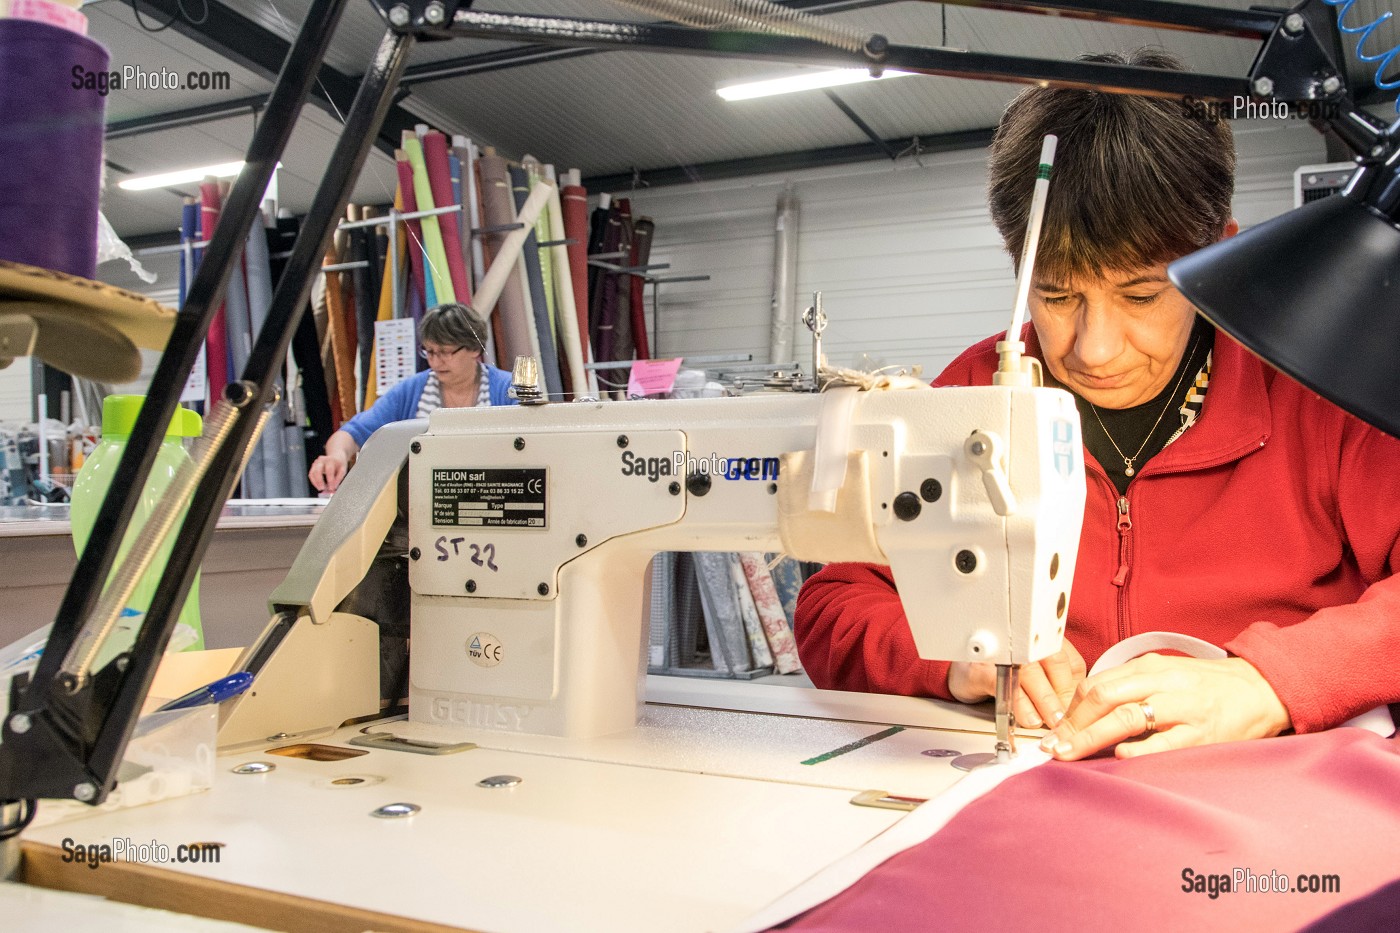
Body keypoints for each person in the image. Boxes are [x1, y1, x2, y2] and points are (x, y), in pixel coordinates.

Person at [794, 49, 1400, 761]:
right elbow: (835, 601)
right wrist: (951, 658)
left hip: (1278, 805)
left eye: (1142, 295)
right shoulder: (974, 394)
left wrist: (1271, 681)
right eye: (1056, 295)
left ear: (1220, 255)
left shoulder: (1319, 393)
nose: (1096, 348)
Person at [308, 302, 517, 493]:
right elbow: (353, 432)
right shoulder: (409, 391)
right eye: (430, 352)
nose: (436, 362)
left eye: (445, 352)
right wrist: (337, 457)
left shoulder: (507, 388)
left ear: (474, 348)